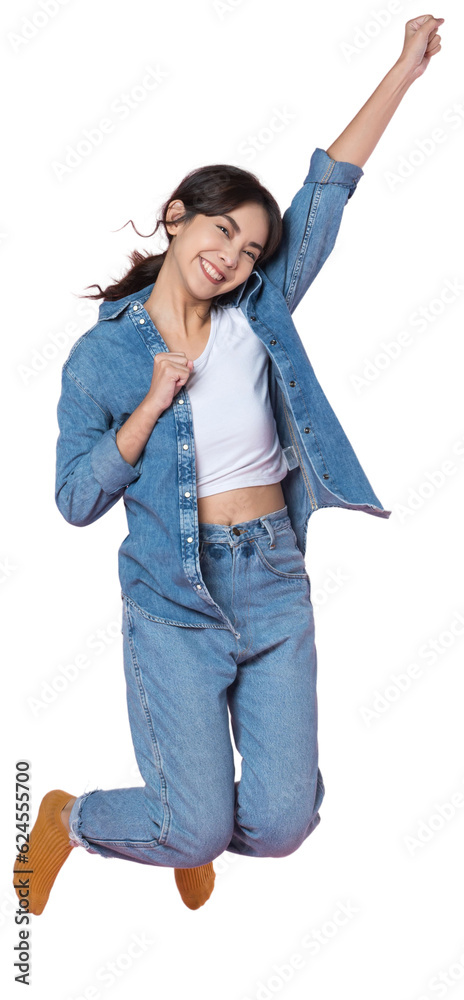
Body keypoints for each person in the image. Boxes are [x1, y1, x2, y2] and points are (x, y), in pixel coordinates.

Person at [13, 15, 444, 915]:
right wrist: (149, 409)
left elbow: (329, 190)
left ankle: (188, 828)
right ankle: (78, 817)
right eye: (221, 232)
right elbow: (73, 499)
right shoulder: (103, 360)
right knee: (196, 825)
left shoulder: (261, 309)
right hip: (174, 597)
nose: (234, 257)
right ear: (176, 216)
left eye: (251, 249)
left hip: (274, 576)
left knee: (283, 824)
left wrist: (405, 69)